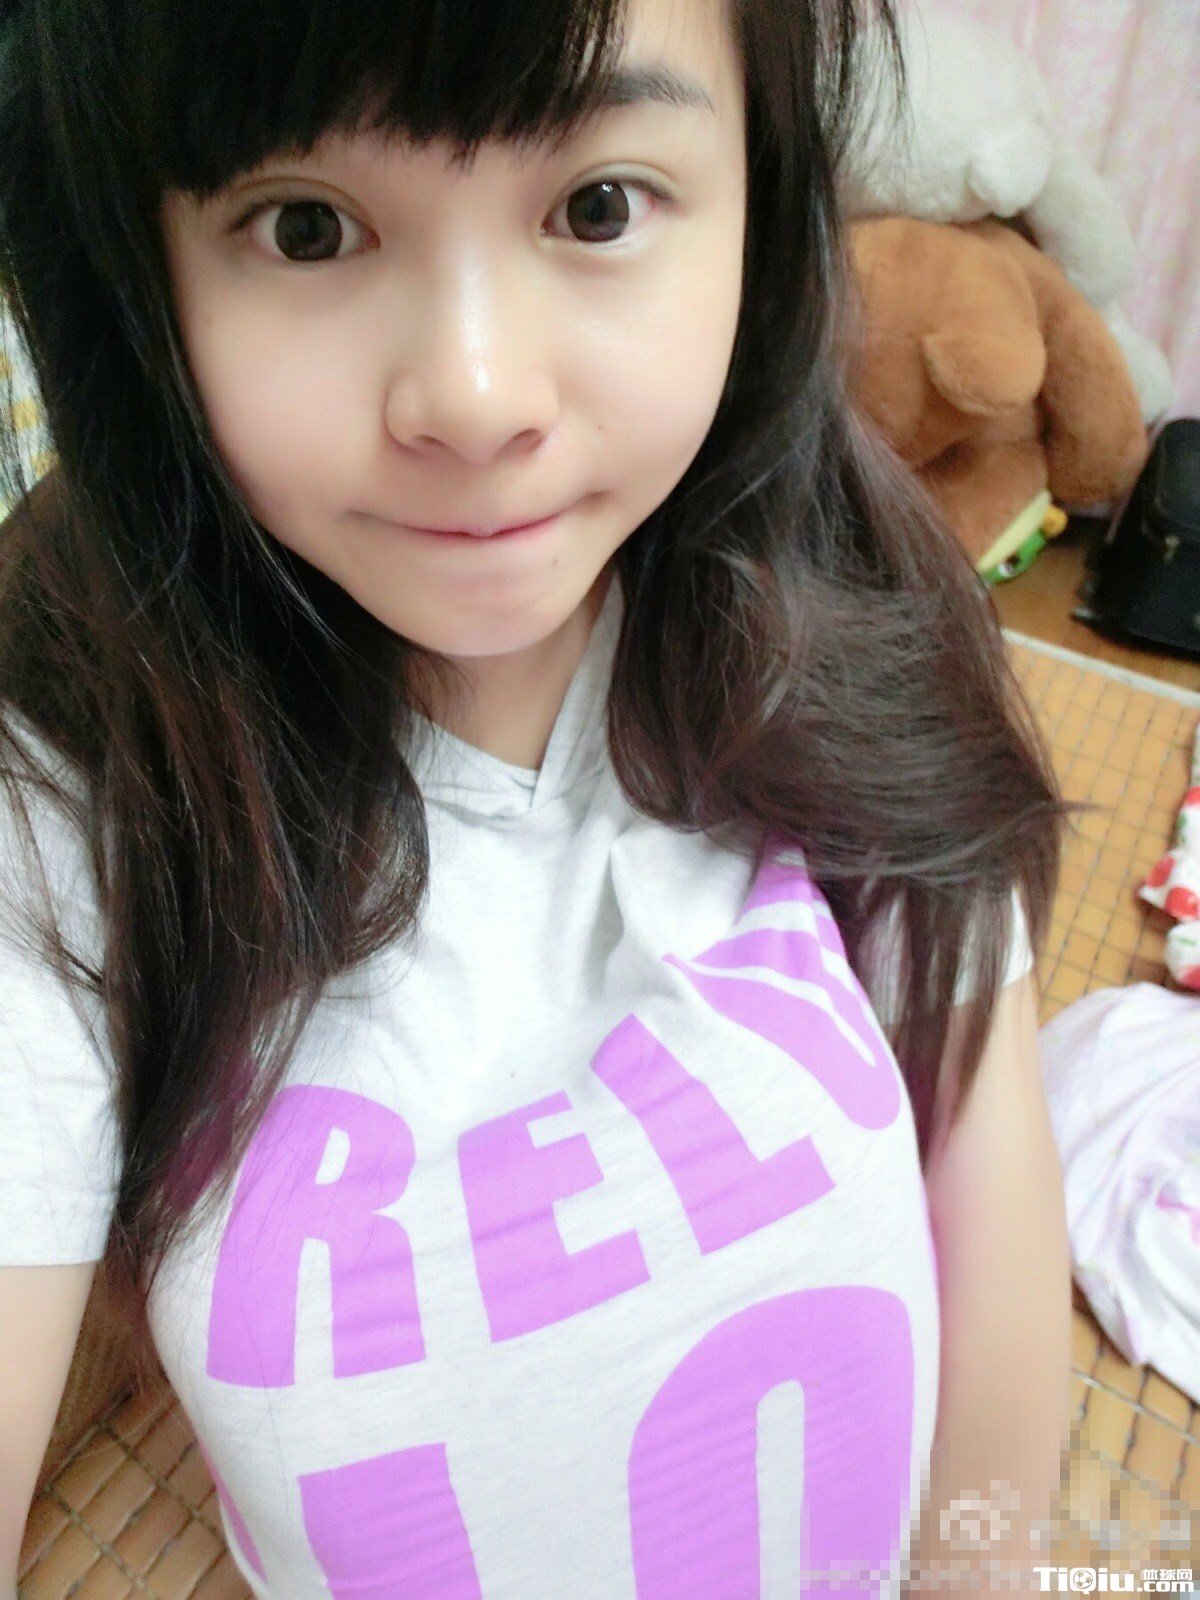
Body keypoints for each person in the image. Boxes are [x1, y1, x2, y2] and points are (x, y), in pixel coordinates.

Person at [0, 0, 1077, 1593]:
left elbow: (991, 1223)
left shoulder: (854, 608)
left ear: (761, 189)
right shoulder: (72, 779)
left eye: (598, 205)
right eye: (308, 228)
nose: (476, 393)